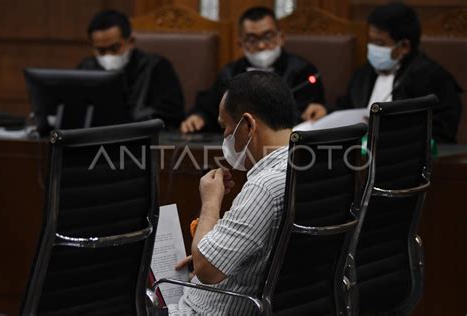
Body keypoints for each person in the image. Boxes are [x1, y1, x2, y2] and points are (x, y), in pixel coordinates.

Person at [167, 71, 293, 315]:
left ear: (247, 125)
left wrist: (211, 201)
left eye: (225, 126)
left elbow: (206, 270)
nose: (224, 136)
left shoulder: (264, 187)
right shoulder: (310, 167)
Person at [307, 2, 462, 143]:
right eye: (371, 41)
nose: (373, 49)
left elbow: (442, 132)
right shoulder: (365, 73)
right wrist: (326, 111)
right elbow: (349, 109)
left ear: (404, 47)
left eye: (380, 43)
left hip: (403, 162)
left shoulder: (432, 77)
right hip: (357, 156)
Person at [180, 6, 325, 134]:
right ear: (240, 43)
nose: (261, 45)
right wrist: (198, 117)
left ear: (281, 37)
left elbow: (315, 113)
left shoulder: (303, 72)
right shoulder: (230, 73)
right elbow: (209, 109)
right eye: (252, 39)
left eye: (268, 36)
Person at [78, 10, 185, 128]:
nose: (108, 56)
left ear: (131, 42)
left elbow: (172, 114)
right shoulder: (86, 69)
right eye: (101, 51)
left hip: (142, 140)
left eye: (115, 48)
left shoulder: (156, 67)